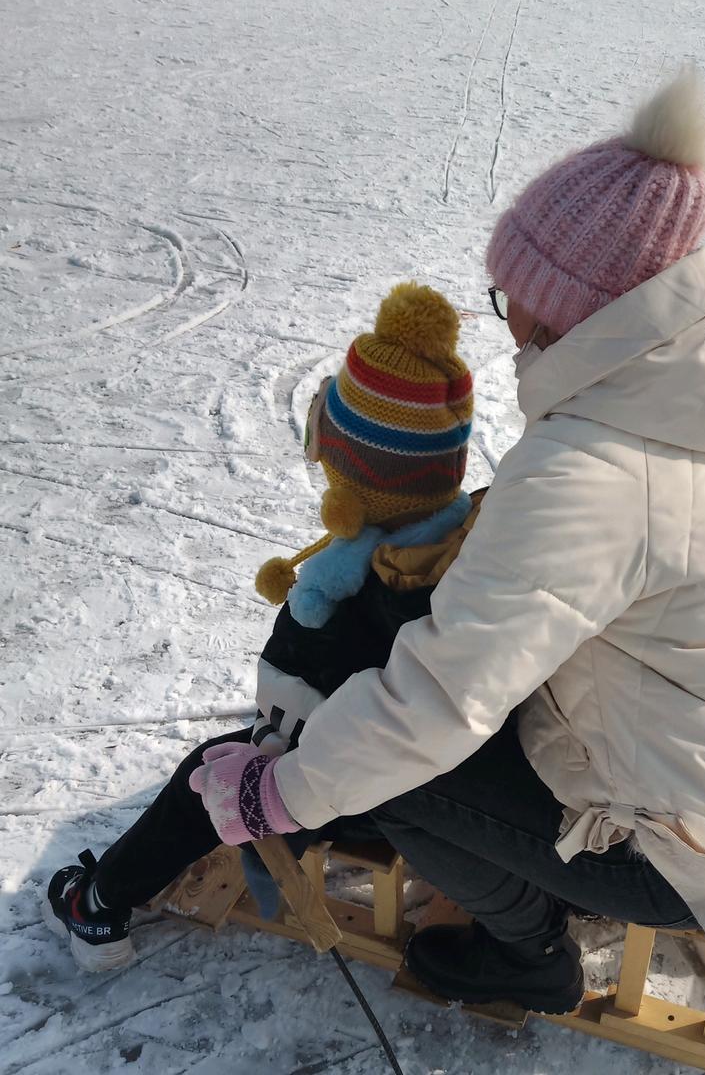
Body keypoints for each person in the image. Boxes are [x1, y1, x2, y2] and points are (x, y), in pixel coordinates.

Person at [49, 68, 705, 1017]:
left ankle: (529, 954)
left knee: (391, 764)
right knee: (393, 726)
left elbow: (432, 709)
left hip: (687, 842)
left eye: (508, 291)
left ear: (564, 304)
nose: (504, 315)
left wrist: (280, 793)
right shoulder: (688, 408)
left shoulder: (591, 474)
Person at [45, 282, 477, 969]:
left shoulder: (357, 589)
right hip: (464, 768)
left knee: (210, 770)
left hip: (386, 784)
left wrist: (310, 609)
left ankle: (97, 904)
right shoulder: (469, 538)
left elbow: (296, 716)